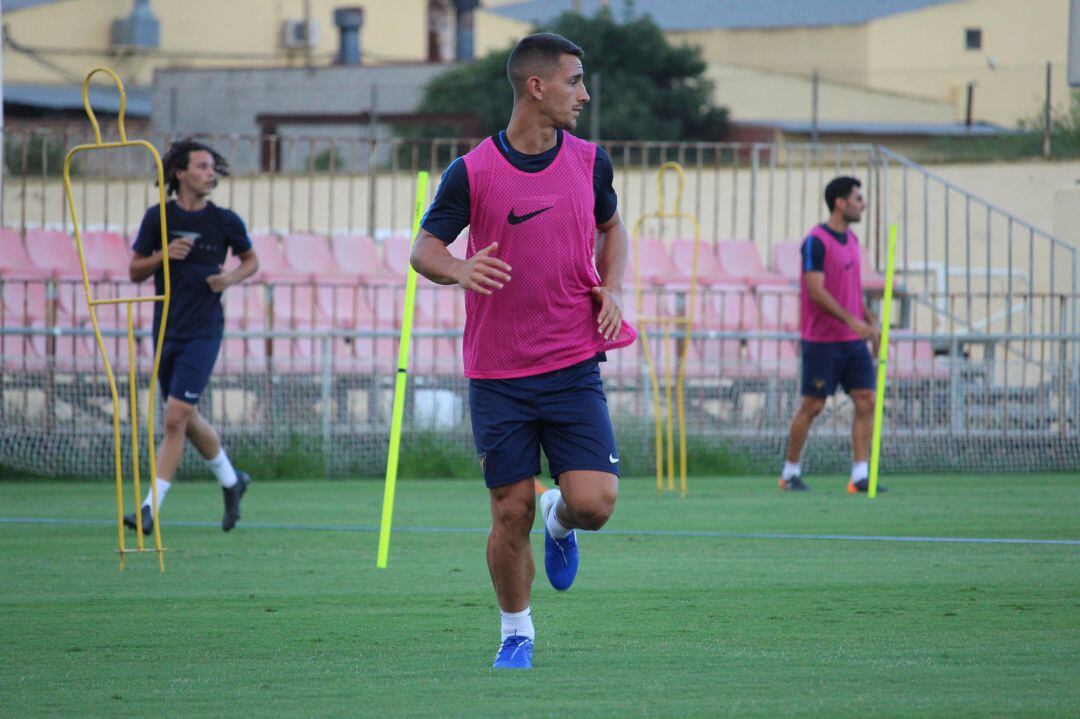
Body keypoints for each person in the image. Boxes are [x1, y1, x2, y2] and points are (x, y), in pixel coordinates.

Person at [410, 33, 636, 670]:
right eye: (575, 81)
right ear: (537, 87)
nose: (584, 94)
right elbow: (423, 250)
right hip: (498, 374)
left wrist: (612, 287)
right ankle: (517, 633)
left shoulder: (592, 162)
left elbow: (612, 227)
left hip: (571, 364)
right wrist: (457, 269)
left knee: (595, 504)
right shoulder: (473, 170)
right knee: (508, 511)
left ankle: (558, 520)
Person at [124, 139, 259, 535]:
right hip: (166, 329)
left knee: (174, 418)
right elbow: (134, 271)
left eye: (212, 167)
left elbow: (251, 261)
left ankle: (149, 509)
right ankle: (233, 481)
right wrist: (163, 255)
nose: (210, 172)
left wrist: (228, 278)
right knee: (186, 416)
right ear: (180, 173)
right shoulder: (158, 219)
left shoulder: (225, 221)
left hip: (204, 330)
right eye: (201, 166)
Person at [779, 176, 887, 494]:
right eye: (858, 198)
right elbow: (815, 290)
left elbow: (851, 289)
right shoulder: (816, 240)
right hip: (823, 340)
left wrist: (869, 319)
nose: (862, 204)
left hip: (852, 342)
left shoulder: (853, 242)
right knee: (813, 405)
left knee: (866, 400)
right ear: (840, 202)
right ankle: (790, 472)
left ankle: (860, 475)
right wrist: (853, 321)